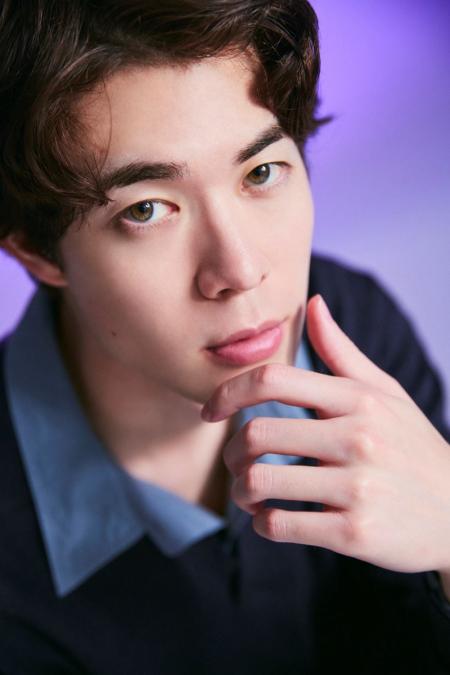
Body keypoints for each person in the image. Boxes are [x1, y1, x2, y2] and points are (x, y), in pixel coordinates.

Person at [0, 1, 449, 673]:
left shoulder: (351, 325)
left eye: (260, 173)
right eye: (146, 209)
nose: (239, 271)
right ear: (37, 253)